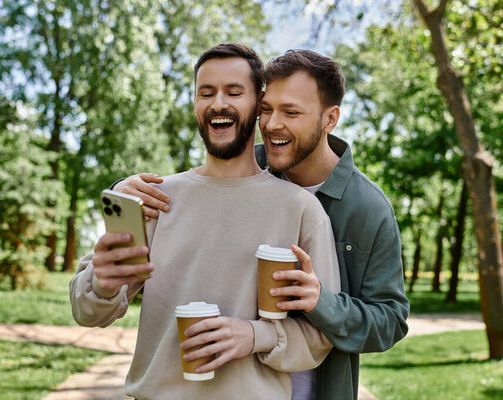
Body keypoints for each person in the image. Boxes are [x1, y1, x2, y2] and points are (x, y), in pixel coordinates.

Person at [116, 49, 410, 400]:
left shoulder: (367, 208)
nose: (271, 125)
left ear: (330, 119)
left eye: (291, 112)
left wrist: (323, 302)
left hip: (317, 387)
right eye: (267, 109)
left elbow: (391, 320)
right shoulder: (248, 168)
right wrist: (124, 196)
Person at [70, 43, 340, 400]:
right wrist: (102, 284)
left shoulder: (300, 209)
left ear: (257, 106)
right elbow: (87, 312)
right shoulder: (155, 198)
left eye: (234, 92)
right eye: (206, 92)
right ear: (196, 104)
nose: (218, 104)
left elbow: (321, 335)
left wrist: (253, 335)